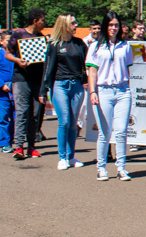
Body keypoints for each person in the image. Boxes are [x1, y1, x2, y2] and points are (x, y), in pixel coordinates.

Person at [87, 11, 134, 181]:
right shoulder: (96, 46)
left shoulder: (125, 45)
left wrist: (128, 87)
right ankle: (101, 167)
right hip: (103, 90)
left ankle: (121, 167)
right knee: (105, 132)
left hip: (122, 90)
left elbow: (128, 69)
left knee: (121, 131)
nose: (113, 28)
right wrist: (93, 92)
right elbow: (92, 72)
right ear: (105, 26)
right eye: (111, 25)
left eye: (116, 25)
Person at [40, 14, 88, 171]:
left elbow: (86, 64)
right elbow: (48, 68)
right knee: (65, 120)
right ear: (64, 25)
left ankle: (71, 156)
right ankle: (62, 157)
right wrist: (43, 89)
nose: (76, 25)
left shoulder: (79, 44)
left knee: (73, 123)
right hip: (59, 84)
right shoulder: (54, 44)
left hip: (77, 85)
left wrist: (86, 81)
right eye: (73, 23)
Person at [6, 9, 48, 160]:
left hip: (36, 80)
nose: (44, 23)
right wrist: (18, 60)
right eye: (42, 20)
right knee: (22, 112)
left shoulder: (41, 37)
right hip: (21, 79)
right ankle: (18, 147)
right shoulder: (18, 35)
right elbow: (7, 53)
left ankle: (31, 146)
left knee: (35, 114)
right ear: (35, 20)